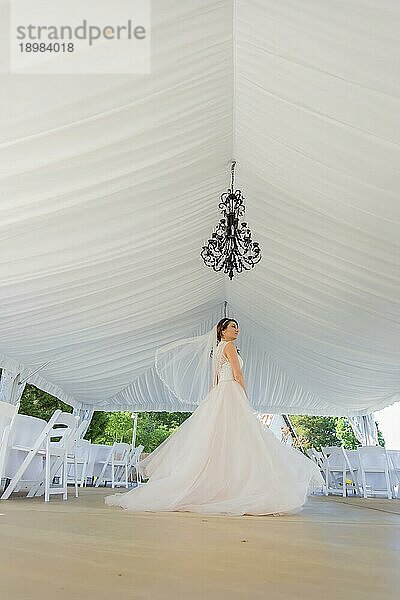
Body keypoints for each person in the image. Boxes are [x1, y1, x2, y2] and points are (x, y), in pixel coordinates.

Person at [105, 318, 323, 515]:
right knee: (242, 438)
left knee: (217, 440)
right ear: (222, 331)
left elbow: (215, 379)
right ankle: (234, 487)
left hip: (220, 393)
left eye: (237, 327)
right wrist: (245, 397)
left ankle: (217, 485)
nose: (237, 330)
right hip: (231, 392)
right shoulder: (229, 346)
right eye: (233, 327)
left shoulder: (218, 349)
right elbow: (238, 374)